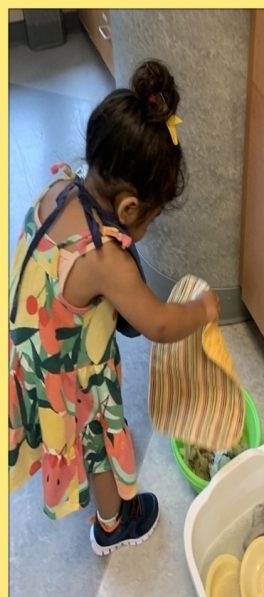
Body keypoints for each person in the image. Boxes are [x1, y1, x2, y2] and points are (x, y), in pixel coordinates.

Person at [9, 59, 220, 556]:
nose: (144, 228)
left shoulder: (61, 188)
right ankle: (111, 523)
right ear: (127, 209)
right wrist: (203, 309)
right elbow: (159, 324)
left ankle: (104, 511)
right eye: (150, 217)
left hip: (32, 343)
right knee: (95, 441)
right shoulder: (106, 258)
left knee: (82, 439)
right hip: (69, 372)